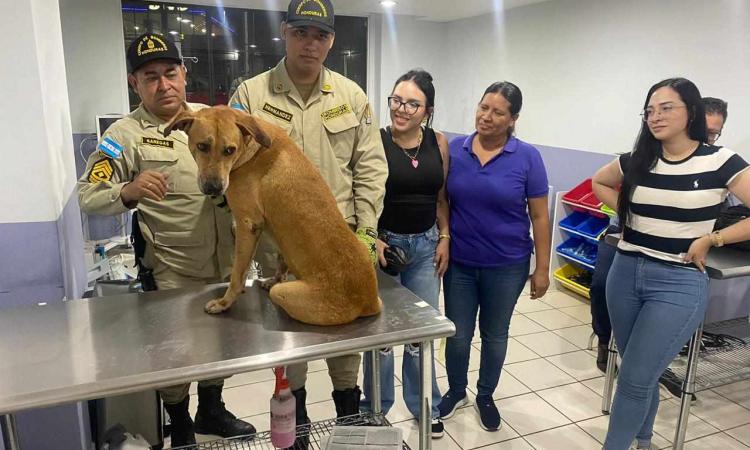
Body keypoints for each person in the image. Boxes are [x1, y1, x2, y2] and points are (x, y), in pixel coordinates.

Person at [77, 33, 255, 447]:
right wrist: (127, 191)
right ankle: (180, 423)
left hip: (226, 262)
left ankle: (212, 408)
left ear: (184, 73)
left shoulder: (214, 118)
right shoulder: (124, 135)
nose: (164, 85)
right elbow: (88, 193)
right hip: (172, 267)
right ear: (133, 83)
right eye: (151, 76)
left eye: (170, 73)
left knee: (222, 345)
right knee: (174, 355)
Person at [228, 0, 387, 446]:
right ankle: (294, 438)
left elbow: (371, 170)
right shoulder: (251, 97)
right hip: (282, 251)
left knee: (346, 357)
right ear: (284, 33)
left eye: (320, 35)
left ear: (332, 40)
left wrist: (366, 235)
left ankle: (348, 431)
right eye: (301, 33)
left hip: (341, 245)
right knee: (289, 358)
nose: (310, 44)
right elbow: (235, 177)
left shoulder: (352, 97)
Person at [592, 78, 750, 450]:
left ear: (690, 112)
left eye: (666, 108)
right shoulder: (637, 159)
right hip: (626, 273)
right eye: (649, 110)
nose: (655, 116)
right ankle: (644, 441)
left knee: (633, 378)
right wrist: (626, 214)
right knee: (638, 373)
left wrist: (714, 238)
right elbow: (600, 181)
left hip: (677, 283)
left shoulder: (720, 161)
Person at [438, 82, 551, 431]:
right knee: (457, 334)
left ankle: (485, 394)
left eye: (498, 112)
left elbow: (540, 216)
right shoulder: (455, 150)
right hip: (460, 262)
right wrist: (443, 237)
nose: (486, 116)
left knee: (495, 333)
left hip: (507, 264)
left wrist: (542, 269)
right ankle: (457, 391)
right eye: (483, 107)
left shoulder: (527, 157)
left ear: (513, 118)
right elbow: (442, 199)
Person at [359, 69, 448, 437]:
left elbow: (441, 198)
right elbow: (361, 196)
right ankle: (375, 408)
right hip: (385, 247)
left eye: (413, 103)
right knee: (378, 337)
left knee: (420, 334)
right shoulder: (374, 141)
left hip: (426, 247)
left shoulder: (438, 143)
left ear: (427, 110)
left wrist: (445, 236)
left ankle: (426, 404)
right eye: (397, 100)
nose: (402, 109)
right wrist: (375, 242)